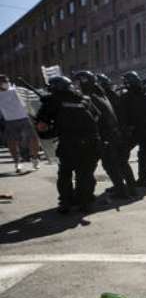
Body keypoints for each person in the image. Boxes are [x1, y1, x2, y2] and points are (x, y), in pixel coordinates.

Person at [35, 76, 101, 213]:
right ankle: (85, 202)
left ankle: (66, 203)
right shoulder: (84, 99)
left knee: (65, 174)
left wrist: (47, 119)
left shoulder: (51, 101)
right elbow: (97, 116)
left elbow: (42, 126)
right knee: (85, 174)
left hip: (69, 143)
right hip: (91, 142)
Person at [73, 71, 137, 199]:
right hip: (114, 134)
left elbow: (91, 119)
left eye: (78, 83)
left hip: (106, 136)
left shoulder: (90, 97)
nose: (76, 86)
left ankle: (121, 192)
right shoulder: (100, 94)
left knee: (110, 165)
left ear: (84, 82)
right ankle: (131, 188)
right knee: (120, 163)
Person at [0, 74, 40, 173]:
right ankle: (17, 162)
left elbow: (30, 99)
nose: (6, 83)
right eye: (3, 81)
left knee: (33, 139)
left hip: (25, 118)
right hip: (9, 121)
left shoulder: (16, 90)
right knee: (12, 142)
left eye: (7, 80)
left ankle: (35, 159)